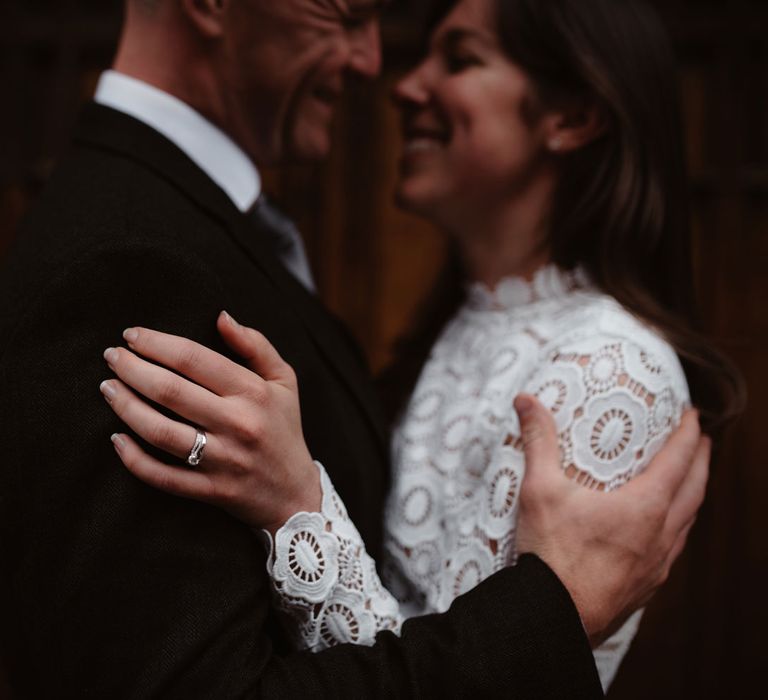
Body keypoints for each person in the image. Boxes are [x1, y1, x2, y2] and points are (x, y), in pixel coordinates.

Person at [0, 0, 709, 698]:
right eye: (346, 15)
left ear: (574, 117)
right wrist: (559, 609)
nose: (385, 70)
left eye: (459, 58)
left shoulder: (611, 368)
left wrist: (299, 509)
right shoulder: (129, 259)